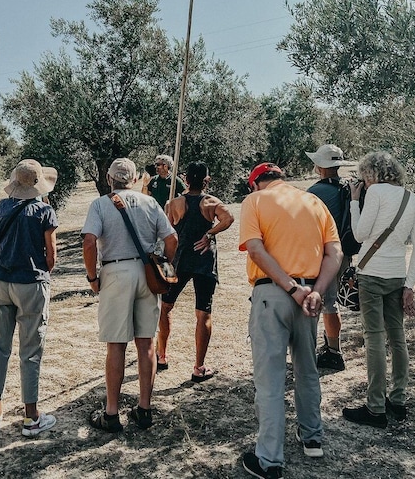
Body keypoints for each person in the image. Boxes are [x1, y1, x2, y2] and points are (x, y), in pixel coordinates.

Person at [239, 162, 342, 479]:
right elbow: (334, 253)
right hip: (310, 296)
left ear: (256, 183)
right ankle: (312, 437)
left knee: (270, 378)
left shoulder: (254, 201)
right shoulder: (314, 201)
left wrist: (291, 288)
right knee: (307, 369)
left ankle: (269, 459)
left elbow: (255, 250)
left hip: (274, 293)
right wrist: (315, 292)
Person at [82, 158, 177, 432]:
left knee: (116, 344)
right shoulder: (149, 202)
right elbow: (172, 239)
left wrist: (92, 277)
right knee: (146, 343)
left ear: (110, 180)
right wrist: (163, 266)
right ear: (135, 179)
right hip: (146, 271)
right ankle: (144, 408)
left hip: (115, 271)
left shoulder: (100, 204)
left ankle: (112, 413)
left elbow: (89, 241)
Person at [342, 151, 415, 429]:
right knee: (397, 336)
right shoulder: (411, 198)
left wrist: (355, 202)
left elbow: (360, 234)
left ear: (373, 174)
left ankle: (375, 407)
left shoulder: (375, 192)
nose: (363, 183)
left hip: (371, 274)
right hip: (397, 276)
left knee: (375, 338)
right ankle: (398, 400)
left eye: (365, 177)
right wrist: (410, 284)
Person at [0, 159, 59, 437]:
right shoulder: (45, 211)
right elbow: (51, 255)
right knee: (31, 350)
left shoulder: (1, 207)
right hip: (30, 283)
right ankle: (31, 416)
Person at [158, 162, 234, 382]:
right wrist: (209, 234)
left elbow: (168, 233)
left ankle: (161, 356)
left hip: (179, 261)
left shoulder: (173, 203)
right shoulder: (211, 202)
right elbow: (228, 218)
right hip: (204, 262)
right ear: (206, 180)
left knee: (165, 307)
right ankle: (199, 367)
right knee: (203, 313)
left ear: (186, 179)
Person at [305, 144, 357, 370]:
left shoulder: (314, 193)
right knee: (331, 301)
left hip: (321, 253)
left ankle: (330, 353)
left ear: (319, 166)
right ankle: (332, 347)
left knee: (325, 302)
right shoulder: (347, 188)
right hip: (343, 252)